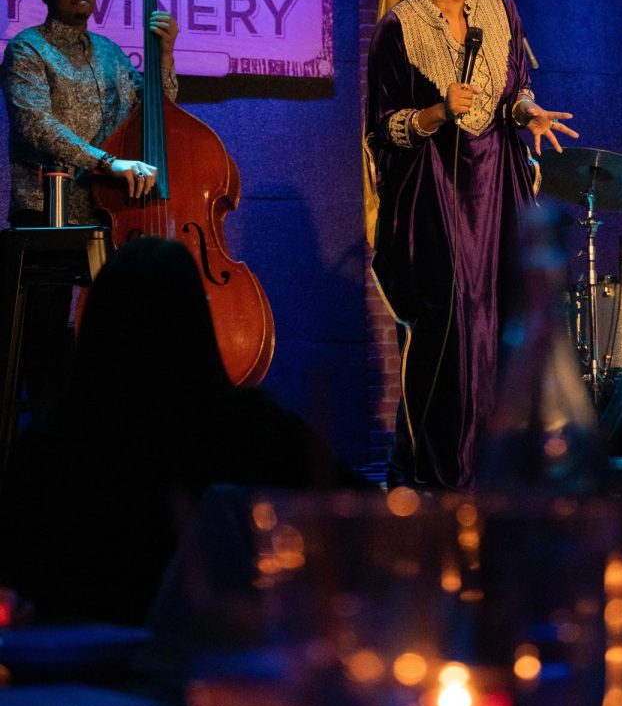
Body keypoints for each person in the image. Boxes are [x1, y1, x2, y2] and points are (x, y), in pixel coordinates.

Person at [0, 236, 364, 625]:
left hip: (79, 676)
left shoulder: (49, 449)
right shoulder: (256, 429)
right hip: (226, 662)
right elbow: (359, 510)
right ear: (197, 321)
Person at [364, 0, 578, 490]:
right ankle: (440, 477)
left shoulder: (501, 8)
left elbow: (514, 89)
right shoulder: (396, 28)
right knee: (454, 331)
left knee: (511, 316)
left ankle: (508, 471)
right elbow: (384, 130)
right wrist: (434, 112)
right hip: (438, 195)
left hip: (501, 185)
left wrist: (527, 109)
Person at [0, 0, 179, 224]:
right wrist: (108, 163)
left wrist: (165, 55)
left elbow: (155, 111)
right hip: (49, 208)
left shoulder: (111, 53)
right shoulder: (27, 48)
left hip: (112, 208)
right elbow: (35, 126)